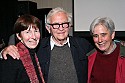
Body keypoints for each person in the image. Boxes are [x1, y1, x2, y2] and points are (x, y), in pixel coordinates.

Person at [1, 7, 94, 83]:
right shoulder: (38, 47)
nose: (61, 28)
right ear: (48, 28)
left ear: (69, 27)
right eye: (56, 25)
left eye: (64, 24)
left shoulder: (83, 44)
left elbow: (102, 57)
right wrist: (3, 52)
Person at [1, 14, 45, 83]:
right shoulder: (12, 58)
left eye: (36, 31)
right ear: (19, 36)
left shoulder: (36, 54)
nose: (33, 36)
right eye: (28, 32)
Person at [87, 17, 125, 83]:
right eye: (96, 36)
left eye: (103, 35)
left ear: (112, 35)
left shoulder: (123, 56)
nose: (100, 40)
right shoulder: (90, 58)